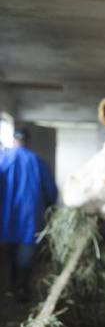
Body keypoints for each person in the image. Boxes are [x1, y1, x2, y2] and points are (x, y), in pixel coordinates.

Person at [0, 128, 57, 301]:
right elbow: (51, 192)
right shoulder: (37, 162)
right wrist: (48, 208)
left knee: (7, 256)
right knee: (25, 258)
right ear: (28, 141)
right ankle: (22, 291)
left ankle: (8, 288)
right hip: (29, 220)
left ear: (14, 140)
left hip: (5, 219)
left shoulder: (3, 159)